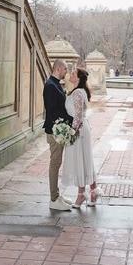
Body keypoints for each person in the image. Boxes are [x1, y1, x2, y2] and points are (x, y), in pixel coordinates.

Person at [61, 68, 98, 208]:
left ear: (78, 78)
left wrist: (70, 132)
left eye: (73, 74)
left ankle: (81, 194)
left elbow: (77, 116)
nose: (70, 74)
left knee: (80, 161)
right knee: (86, 160)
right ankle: (93, 191)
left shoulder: (77, 93)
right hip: (83, 129)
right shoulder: (81, 91)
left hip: (79, 131)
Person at [43, 59, 73, 211]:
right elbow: (53, 111)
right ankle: (53, 199)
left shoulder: (56, 84)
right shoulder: (50, 85)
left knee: (57, 162)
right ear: (59, 68)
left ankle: (57, 196)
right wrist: (69, 121)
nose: (66, 72)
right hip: (54, 132)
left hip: (58, 130)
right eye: (65, 69)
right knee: (55, 164)